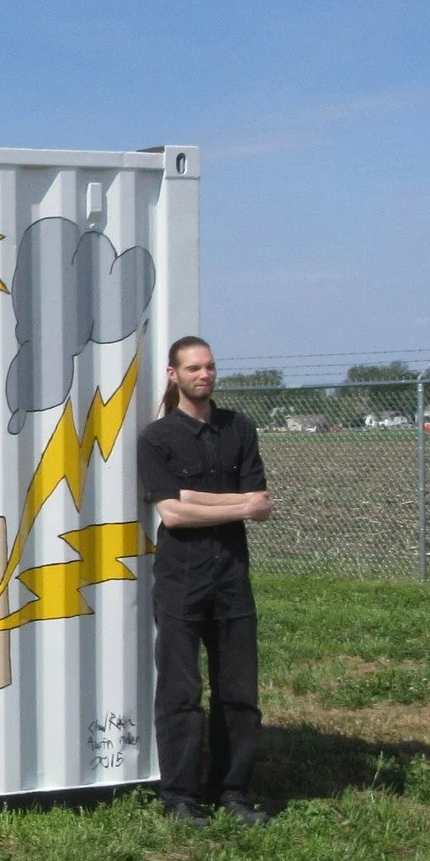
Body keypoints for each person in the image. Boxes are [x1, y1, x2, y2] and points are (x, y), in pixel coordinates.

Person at [138, 337, 272, 825]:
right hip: (181, 581)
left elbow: (261, 504)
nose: (205, 375)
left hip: (232, 578)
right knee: (180, 691)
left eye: (211, 366)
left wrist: (200, 499)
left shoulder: (239, 428)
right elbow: (173, 514)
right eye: (194, 368)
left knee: (239, 692)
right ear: (174, 375)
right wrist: (232, 504)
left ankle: (233, 792)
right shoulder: (157, 438)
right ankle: (180, 797)